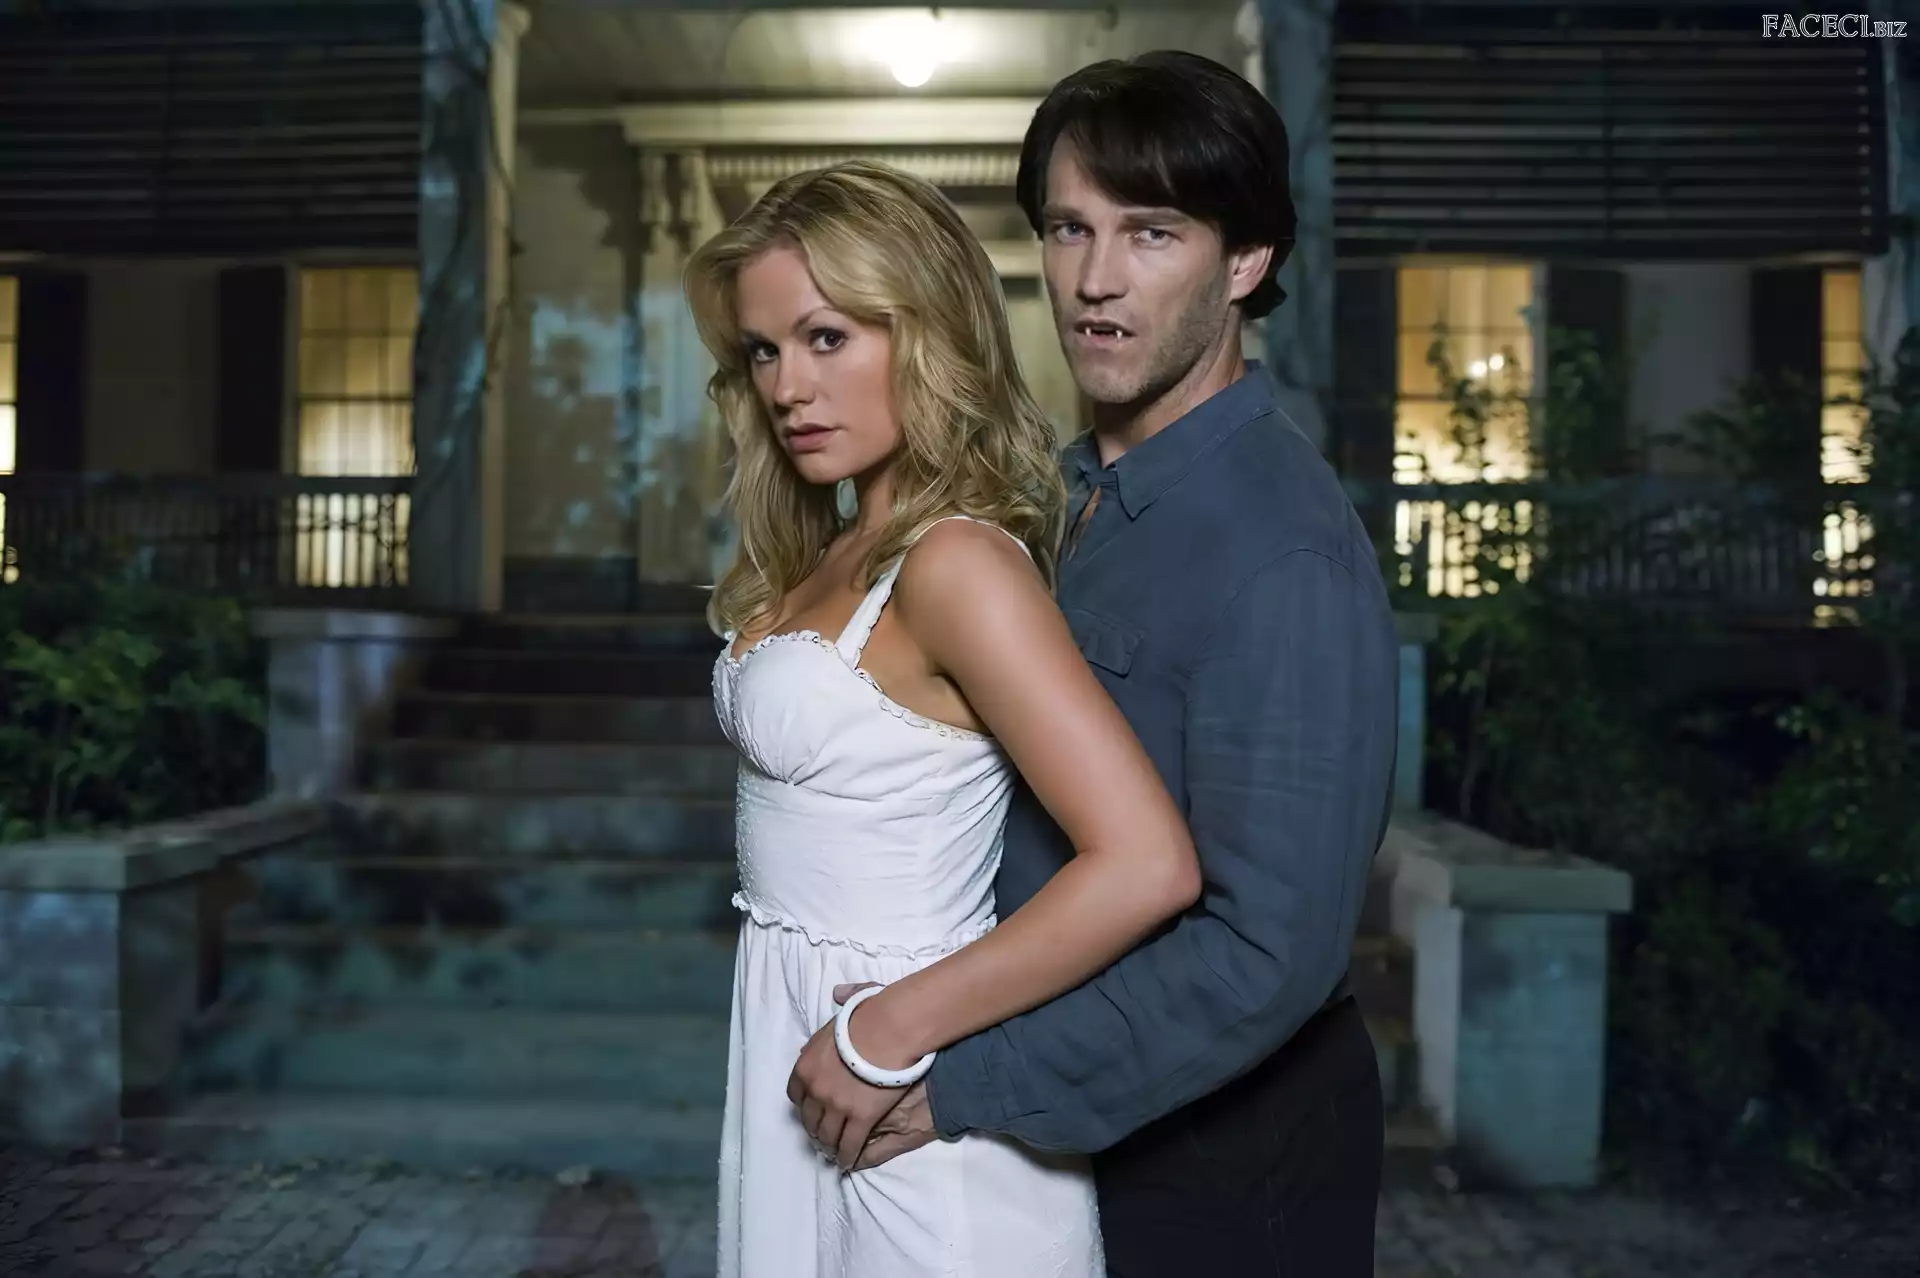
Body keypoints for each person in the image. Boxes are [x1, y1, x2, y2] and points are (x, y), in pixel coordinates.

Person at [788, 51, 1400, 1277]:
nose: (1095, 278)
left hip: (1220, 1163)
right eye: (1070, 228)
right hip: (1048, 1134)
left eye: (1152, 233)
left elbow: (1265, 953)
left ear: (1245, 262)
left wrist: (961, 1082)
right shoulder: (1055, 502)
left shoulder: (1282, 552)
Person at [689, 159, 1205, 1276]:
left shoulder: (957, 562)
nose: (788, 387)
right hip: (798, 1054)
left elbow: (1146, 864)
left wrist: (884, 1032)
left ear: (923, 332)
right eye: (764, 351)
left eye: (828, 337)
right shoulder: (835, 548)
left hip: (902, 1083)